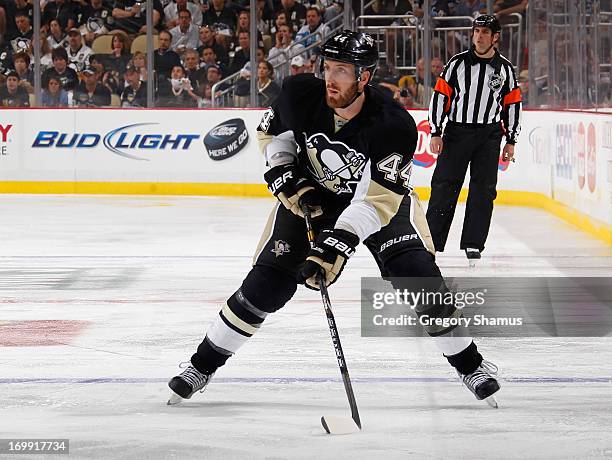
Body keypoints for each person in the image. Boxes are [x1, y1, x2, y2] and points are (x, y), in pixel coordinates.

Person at [167, 30, 500, 408]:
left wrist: (336, 245)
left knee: (418, 276)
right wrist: (284, 172)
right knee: (267, 285)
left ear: (365, 76)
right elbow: (274, 135)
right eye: (327, 67)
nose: (330, 77)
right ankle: (201, 366)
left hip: (380, 203)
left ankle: (471, 365)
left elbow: (376, 201)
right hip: (314, 199)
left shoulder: (393, 124)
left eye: (342, 70)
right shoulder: (299, 93)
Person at [426, 15, 522, 262]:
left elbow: (512, 105)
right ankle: (432, 241)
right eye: (476, 31)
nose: (479, 36)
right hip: (457, 132)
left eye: (485, 32)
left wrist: (511, 139)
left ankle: (473, 243)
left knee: (483, 191)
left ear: (495, 37)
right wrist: (436, 131)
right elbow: (440, 97)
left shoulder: (505, 69)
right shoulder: (456, 64)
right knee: (444, 187)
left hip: (489, 136)